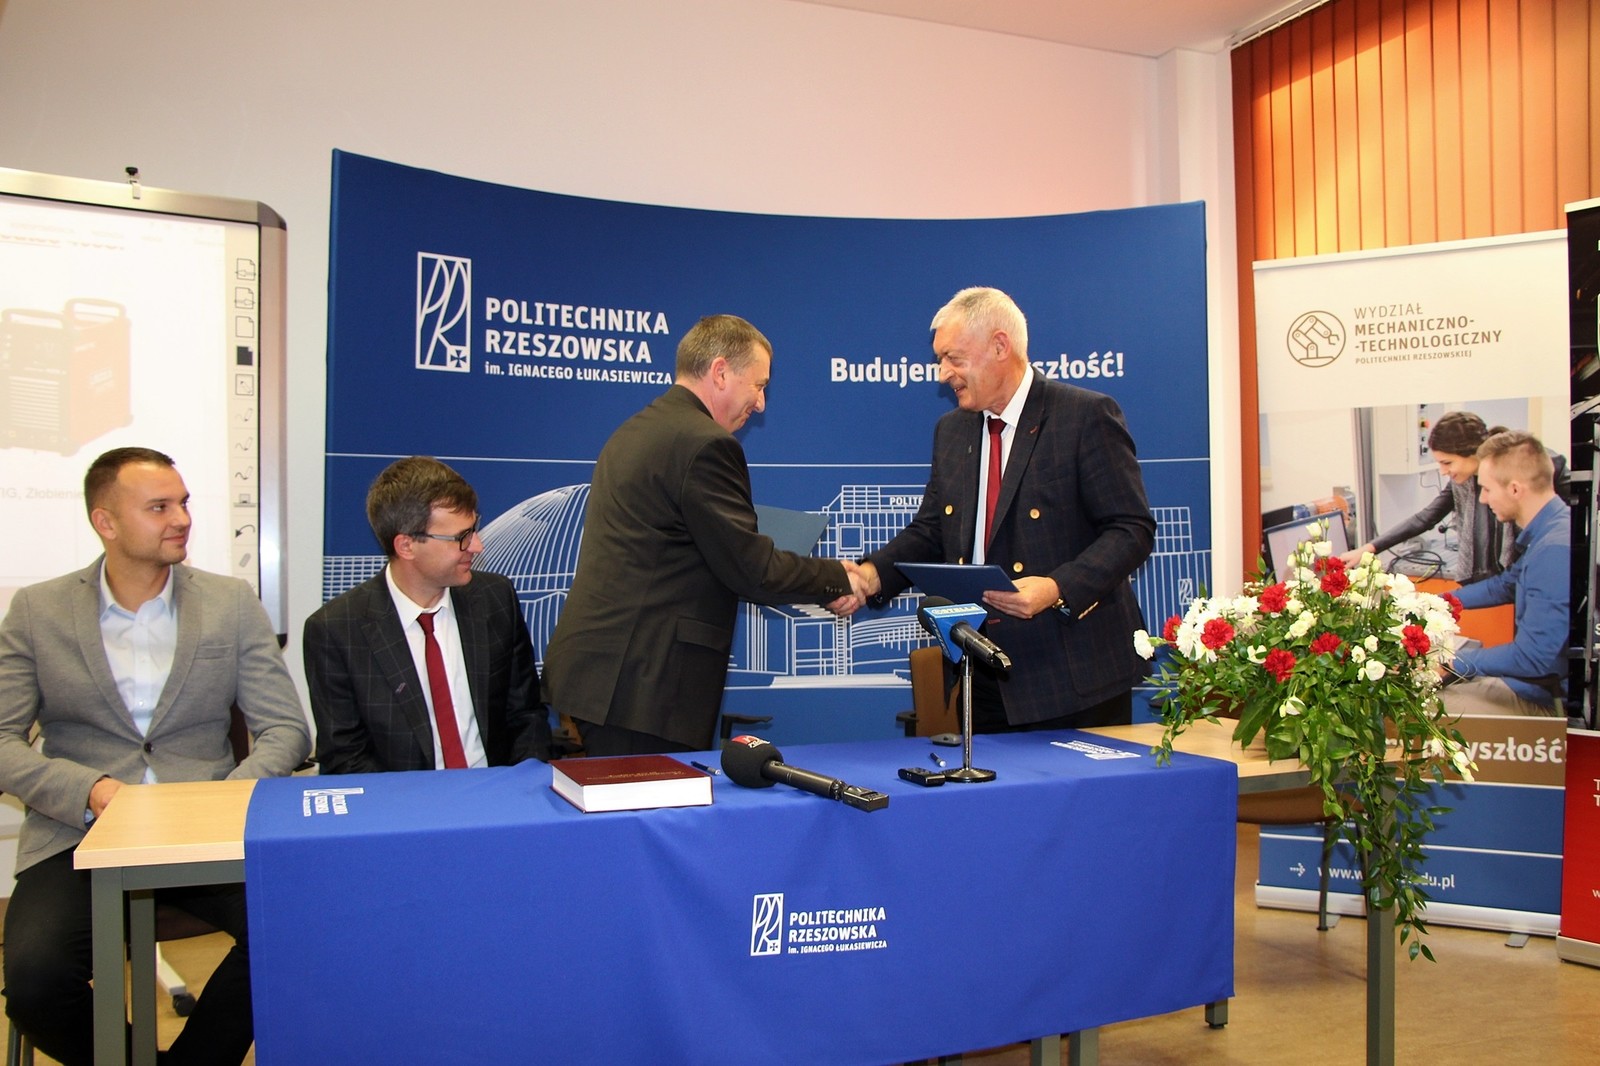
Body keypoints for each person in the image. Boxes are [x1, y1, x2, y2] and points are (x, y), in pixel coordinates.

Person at [0, 447, 310, 1066]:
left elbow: (285, 729)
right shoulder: (38, 610)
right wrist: (91, 791)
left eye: (185, 503)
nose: (182, 519)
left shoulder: (230, 602)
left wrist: (220, 800)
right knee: (36, 982)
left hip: (208, 832)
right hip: (77, 836)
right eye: (160, 507)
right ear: (106, 522)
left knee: (300, 931)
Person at [543, 314, 863, 756]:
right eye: (759, 385)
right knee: (652, 802)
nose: (761, 403)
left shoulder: (636, 430)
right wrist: (838, 578)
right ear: (720, 372)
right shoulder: (707, 443)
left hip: (608, 679)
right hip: (643, 688)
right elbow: (751, 569)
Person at [851, 286, 1156, 731]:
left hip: (1073, 675)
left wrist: (1056, 587)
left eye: (953, 358)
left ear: (999, 346)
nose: (943, 374)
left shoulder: (1083, 415)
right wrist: (871, 575)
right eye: (940, 360)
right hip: (982, 669)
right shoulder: (952, 431)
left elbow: (1131, 529)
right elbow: (932, 531)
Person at [303, 456, 551, 773]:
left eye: (474, 529)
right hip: (401, 798)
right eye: (461, 537)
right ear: (406, 546)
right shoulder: (336, 630)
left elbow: (526, 716)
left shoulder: (495, 600)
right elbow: (345, 757)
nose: (477, 545)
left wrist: (521, 784)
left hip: (497, 789)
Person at [1341, 410, 1568, 581]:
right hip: (1503, 581)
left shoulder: (1527, 470)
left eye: (1447, 462)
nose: (1443, 471)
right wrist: (1368, 548)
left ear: (1473, 452)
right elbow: (1426, 517)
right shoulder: (1463, 482)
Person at [1441, 431, 1570, 716]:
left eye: (1487, 489)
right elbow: (1505, 585)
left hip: (1543, 701)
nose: (1483, 499)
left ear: (1514, 489)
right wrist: (1439, 602)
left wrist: (1452, 662)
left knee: (1420, 706)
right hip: (1532, 685)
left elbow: (1533, 657)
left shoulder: (1554, 549)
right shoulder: (1550, 531)